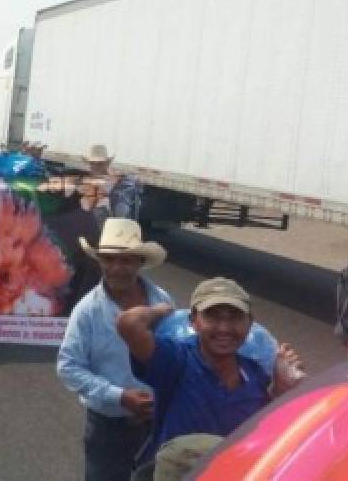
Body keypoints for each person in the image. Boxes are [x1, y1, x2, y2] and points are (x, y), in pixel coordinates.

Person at [117, 277, 304, 464]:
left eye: (235, 317)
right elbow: (129, 323)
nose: (224, 328)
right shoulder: (176, 360)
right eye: (213, 316)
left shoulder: (254, 372)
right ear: (193, 321)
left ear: (249, 323)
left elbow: (264, 427)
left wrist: (281, 390)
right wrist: (159, 310)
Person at [58, 218, 172, 481]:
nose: (117, 268)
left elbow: (173, 354)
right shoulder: (87, 311)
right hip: (108, 427)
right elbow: (68, 367)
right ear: (99, 262)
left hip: (157, 423)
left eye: (126, 260)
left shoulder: (162, 301)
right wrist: (119, 396)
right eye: (109, 260)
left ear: (139, 263)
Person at [83, 144, 142, 225]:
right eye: (93, 163)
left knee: (120, 208)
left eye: (99, 163)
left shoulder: (118, 178)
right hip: (101, 229)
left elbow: (133, 182)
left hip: (119, 226)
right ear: (89, 165)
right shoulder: (89, 183)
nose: (96, 166)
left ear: (106, 164)